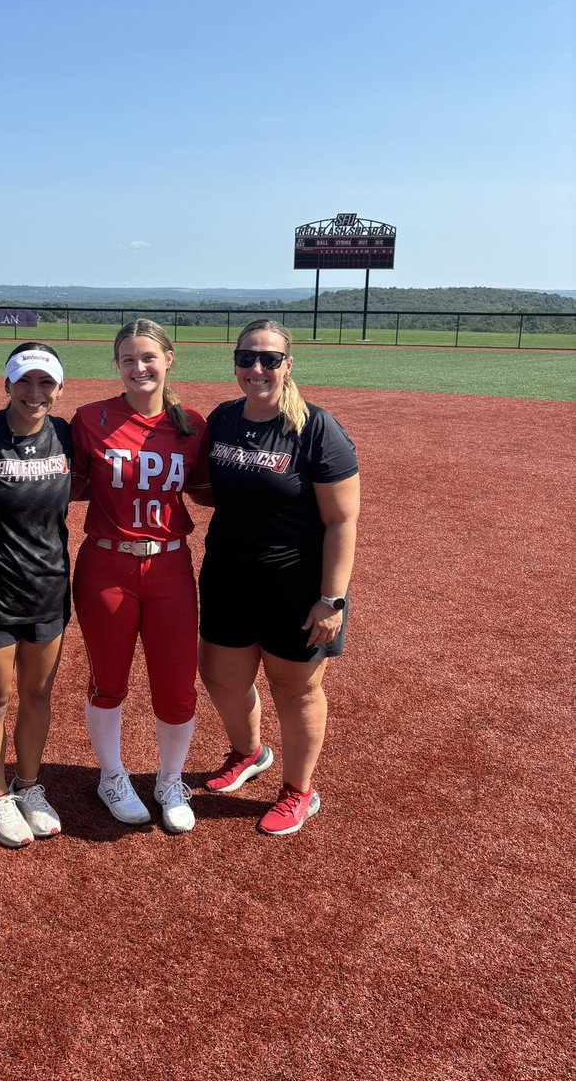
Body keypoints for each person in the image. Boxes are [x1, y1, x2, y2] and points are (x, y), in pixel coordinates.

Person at [198, 319, 360, 836]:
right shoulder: (223, 419)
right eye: (247, 358)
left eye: (269, 359)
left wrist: (332, 598)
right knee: (220, 676)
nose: (257, 368)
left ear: (287, 365)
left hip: (296, 585)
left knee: (295, 690)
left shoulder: (315, 428)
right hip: (228, 575)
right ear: (235, 363)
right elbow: (211, 487)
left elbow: (341, 520)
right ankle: (249, 752)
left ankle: (298, 790)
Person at [70, 319, 209, 834]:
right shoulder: (92, 418)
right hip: (106, 565)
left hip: (170, 564)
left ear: (169, 359)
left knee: (176, 686)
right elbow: (70, 485)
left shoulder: (192, 424)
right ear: (117, 365)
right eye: (128, 359)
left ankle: (170, 780)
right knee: (108, 682)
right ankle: (111, 776)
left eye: (148, 356)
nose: (138, 367)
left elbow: (208, 489)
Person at [0, 343, 73, 849]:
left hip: (48, 589)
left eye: (45, 382)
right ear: (7, 384)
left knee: (38, 695)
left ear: (59, 389)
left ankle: (29, 785)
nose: (34, 392)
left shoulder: (65, 435)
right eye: (24, 381)